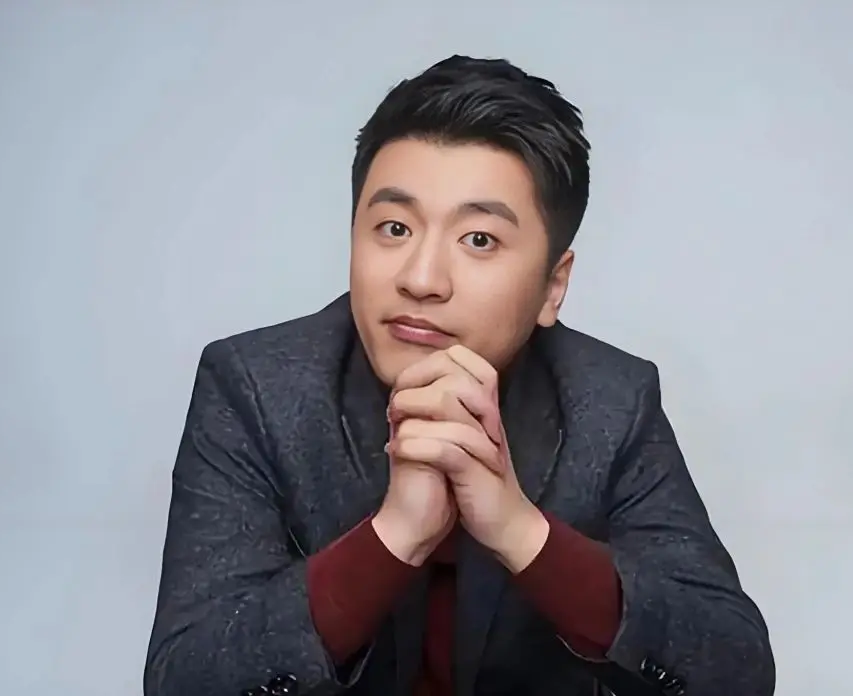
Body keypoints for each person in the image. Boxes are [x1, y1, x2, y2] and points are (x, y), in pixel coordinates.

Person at [144, 55, 775, 696]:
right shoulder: (255, 387)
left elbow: (735, 671)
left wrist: (520, 531)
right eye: (394, 228)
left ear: (553, 287)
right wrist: (393, 537)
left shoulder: (610, 401)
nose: (421, 279)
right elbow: (186, 678)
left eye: (478, 240)